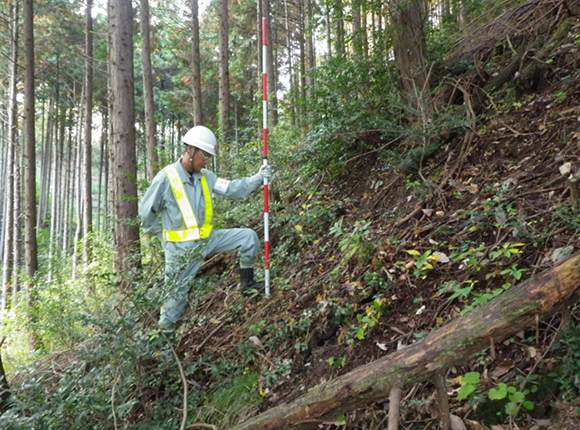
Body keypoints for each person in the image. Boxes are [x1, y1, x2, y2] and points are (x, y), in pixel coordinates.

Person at [139, 125, 271, 332]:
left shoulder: (207, 177)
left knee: (248, 237)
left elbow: (233, 189)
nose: (208, 160)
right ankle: (164, 348)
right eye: (205, 155)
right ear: (190, 150)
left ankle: (246, 283)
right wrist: (164, 239)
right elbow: (147, 213)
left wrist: (258, 178)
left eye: (210, 156)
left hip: (207, 240)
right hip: (180, 251)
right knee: (173, 302)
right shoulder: (166, 177)